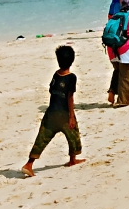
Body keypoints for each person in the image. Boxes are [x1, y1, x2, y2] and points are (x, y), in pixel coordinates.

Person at [22, 45, 85, 177]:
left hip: (51, 112)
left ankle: (29, 164)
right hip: (64, 113)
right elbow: (70, 97)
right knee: (73, 135)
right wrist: (71, 116)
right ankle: (72, 160)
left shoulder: (56, 74)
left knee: (42, 139)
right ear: (72, 60)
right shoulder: (71, 77)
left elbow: (51, 90)